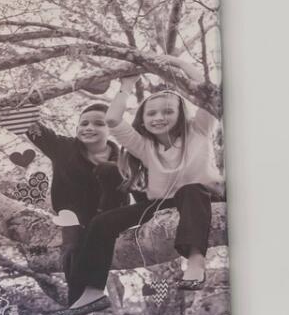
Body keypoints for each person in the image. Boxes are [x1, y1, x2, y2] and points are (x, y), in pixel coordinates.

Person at [65, 83, 226, 293]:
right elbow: (112, 119)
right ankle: (89, 293)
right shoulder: (144, 146)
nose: (158, 117)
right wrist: (127, 84)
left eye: (168, 111)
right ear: (143, 120)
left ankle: (196, 263)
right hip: (164, 203)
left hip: (202, 197)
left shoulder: (198, 130)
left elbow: (211, 93)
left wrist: (176, 69)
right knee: (101, 222)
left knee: (190, 191)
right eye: (151, 113)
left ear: (181, 114)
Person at [0, 94, 137, 310]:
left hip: (110, 213)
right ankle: (79, 302)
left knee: (110, 172)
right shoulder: (64, 147)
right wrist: (9, 105)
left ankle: (88, 294)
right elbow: (33, 129)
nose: (89, 128)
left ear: (111, 129)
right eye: (84, 123)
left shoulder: (124, 158)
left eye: (99, 124)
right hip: (73, 214)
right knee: (72, 247)